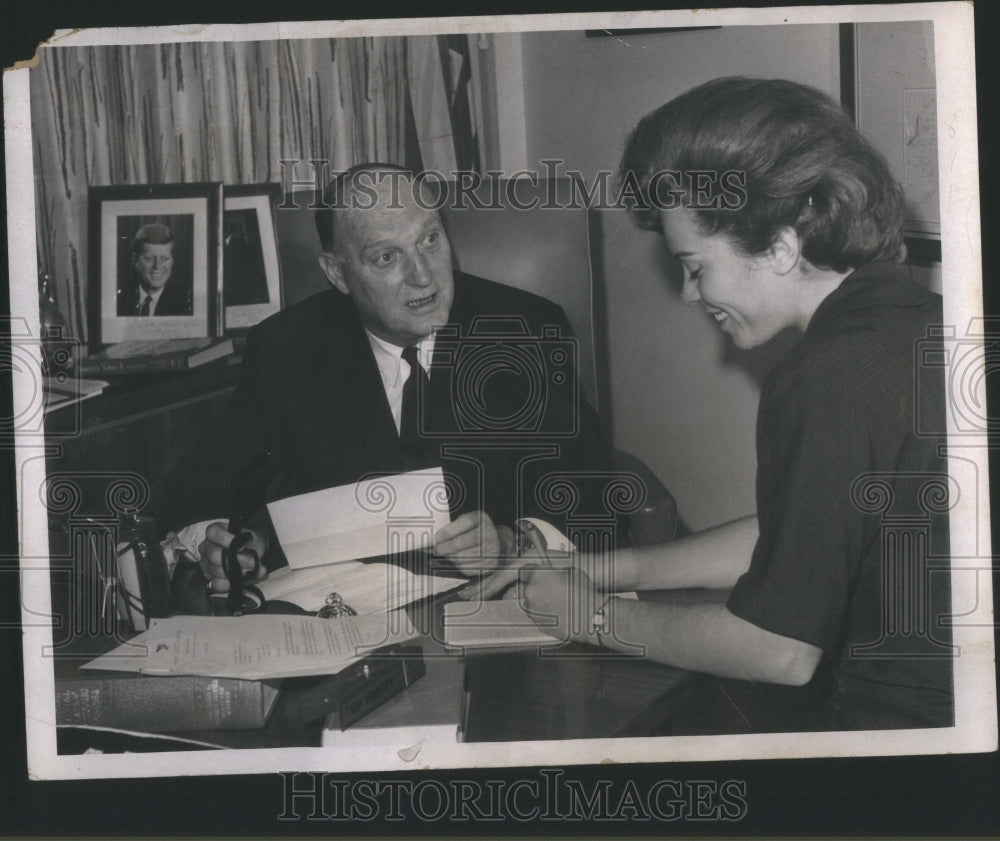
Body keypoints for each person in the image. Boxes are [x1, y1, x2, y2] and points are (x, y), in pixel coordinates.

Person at [472, 77, 953, 731]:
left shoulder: (825, 372)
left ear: (782, 244)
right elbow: (804, 531)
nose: (689, 296)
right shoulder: (911, 318)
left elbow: (780, 651)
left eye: (695, 266)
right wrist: (598, 568)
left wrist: (588, 615)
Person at [166, 164, 616, 593]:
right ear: (337, 273)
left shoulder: (527, 328)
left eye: (430, 240)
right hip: (346, 626)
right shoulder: (286, 348)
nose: (423, 276)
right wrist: (225, 546)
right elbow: (203, 489)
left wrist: (511, 540)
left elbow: (595, 499)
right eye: (386, 257)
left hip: (496, 619)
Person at [117, 223, 193, 316]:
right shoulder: (120, 299)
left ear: (172, 261)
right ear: (135, 259)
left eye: (164, 259)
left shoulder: (186, 303)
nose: (157, 266)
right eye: (150, 259)